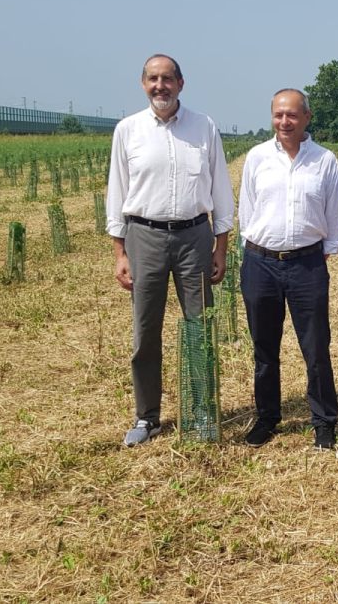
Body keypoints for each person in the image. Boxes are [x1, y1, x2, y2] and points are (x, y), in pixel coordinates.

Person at [106, 53, 234, 447]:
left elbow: (219, 188)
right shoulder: (128, 131)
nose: (160, 86)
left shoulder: (203, 127)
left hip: (195, 237)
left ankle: (201, 414)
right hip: (143, 237)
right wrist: (120, 252)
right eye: (152, 79)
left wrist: (221, 244)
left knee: (199, 327)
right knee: (146, 331)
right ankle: (147, 417)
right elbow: (118, 191)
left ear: (181, 83)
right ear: (143, 84)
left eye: (167, 79)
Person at [238, 88, 338, 449]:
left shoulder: (324, 160)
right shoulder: (256, 157)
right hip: (260, 263)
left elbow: (335, 215)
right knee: (264, 347)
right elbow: (247, 212)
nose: (285, 122)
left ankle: (324, 421)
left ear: (306, 118)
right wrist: (258, 248)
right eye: (279, 115)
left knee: (315, 347)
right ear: (272, 117)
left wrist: (319, 255)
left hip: (307, 265)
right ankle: (267, 418)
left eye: (292, 115)